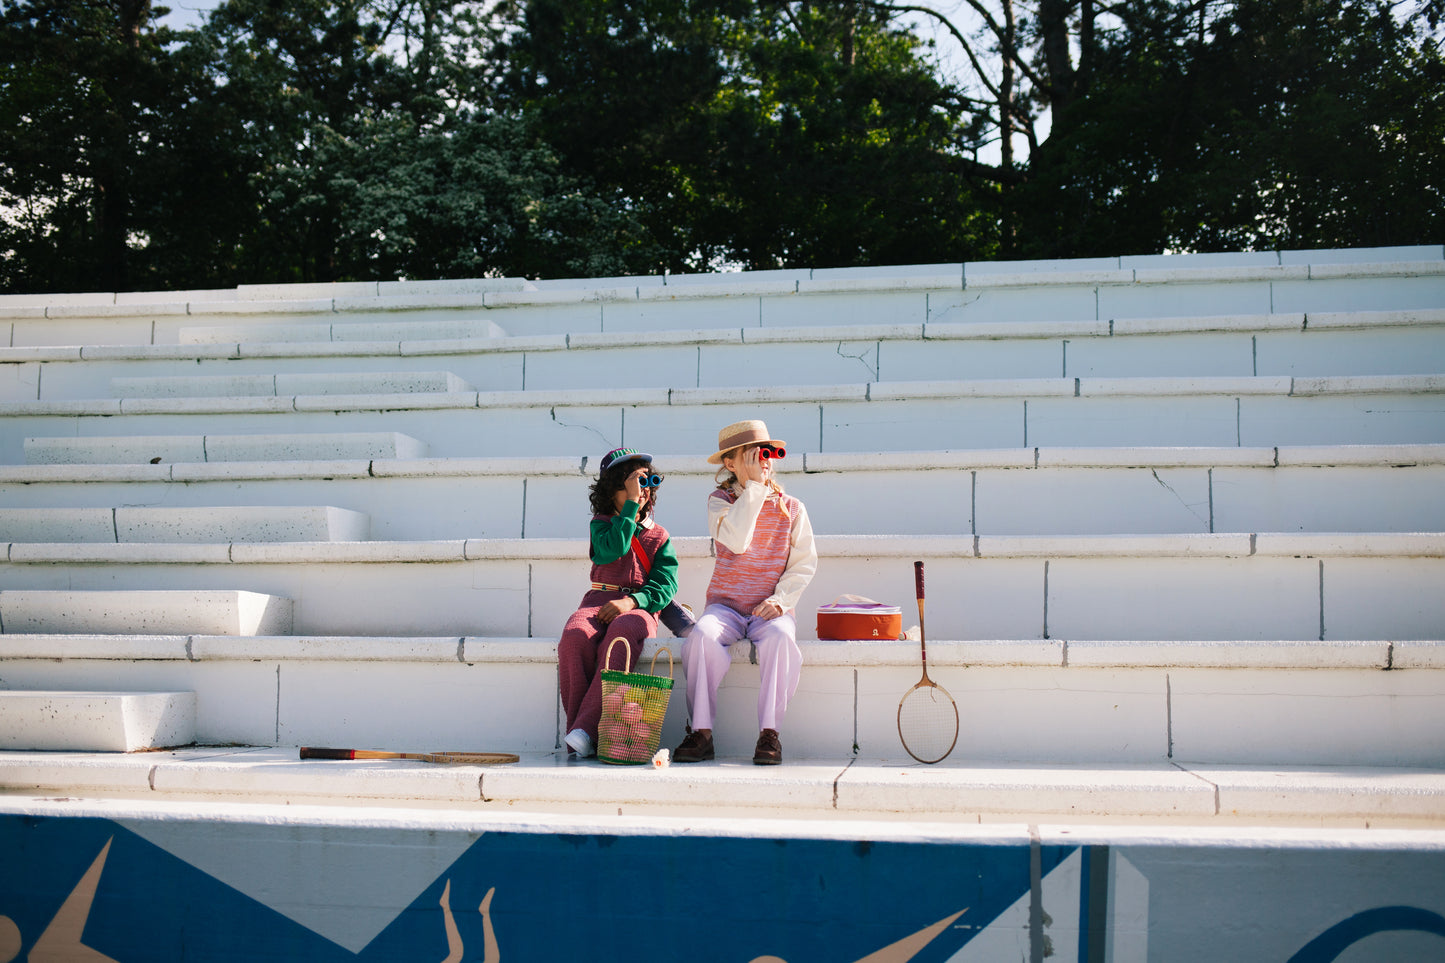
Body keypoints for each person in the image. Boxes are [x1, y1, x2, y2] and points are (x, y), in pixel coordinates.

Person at [674, 419, 817, 765]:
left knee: (783, 640)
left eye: (768, 454)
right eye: (754, 455)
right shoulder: (719, 502)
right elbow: (737, 540)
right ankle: (702, 732)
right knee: (701, 639)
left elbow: (804, 563)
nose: (765, 461)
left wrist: (780, 601)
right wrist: (754, 489)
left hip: (769, 608)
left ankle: (770, 733)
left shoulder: (792, 507)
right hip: (725, 607)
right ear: (731, 463)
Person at [557, 447, 679, 758]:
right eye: (635, 481)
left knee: (621, 633)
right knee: (574, 637)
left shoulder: (659, 535)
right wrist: (628, 513)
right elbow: (611, 550)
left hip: (637, 609)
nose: (644, 489)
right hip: (597, 599)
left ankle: (584, 729)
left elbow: (665, 585)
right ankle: (580, 733)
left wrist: (632, 601)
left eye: (647, 482)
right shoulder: (601, 525)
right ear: (614, 488)